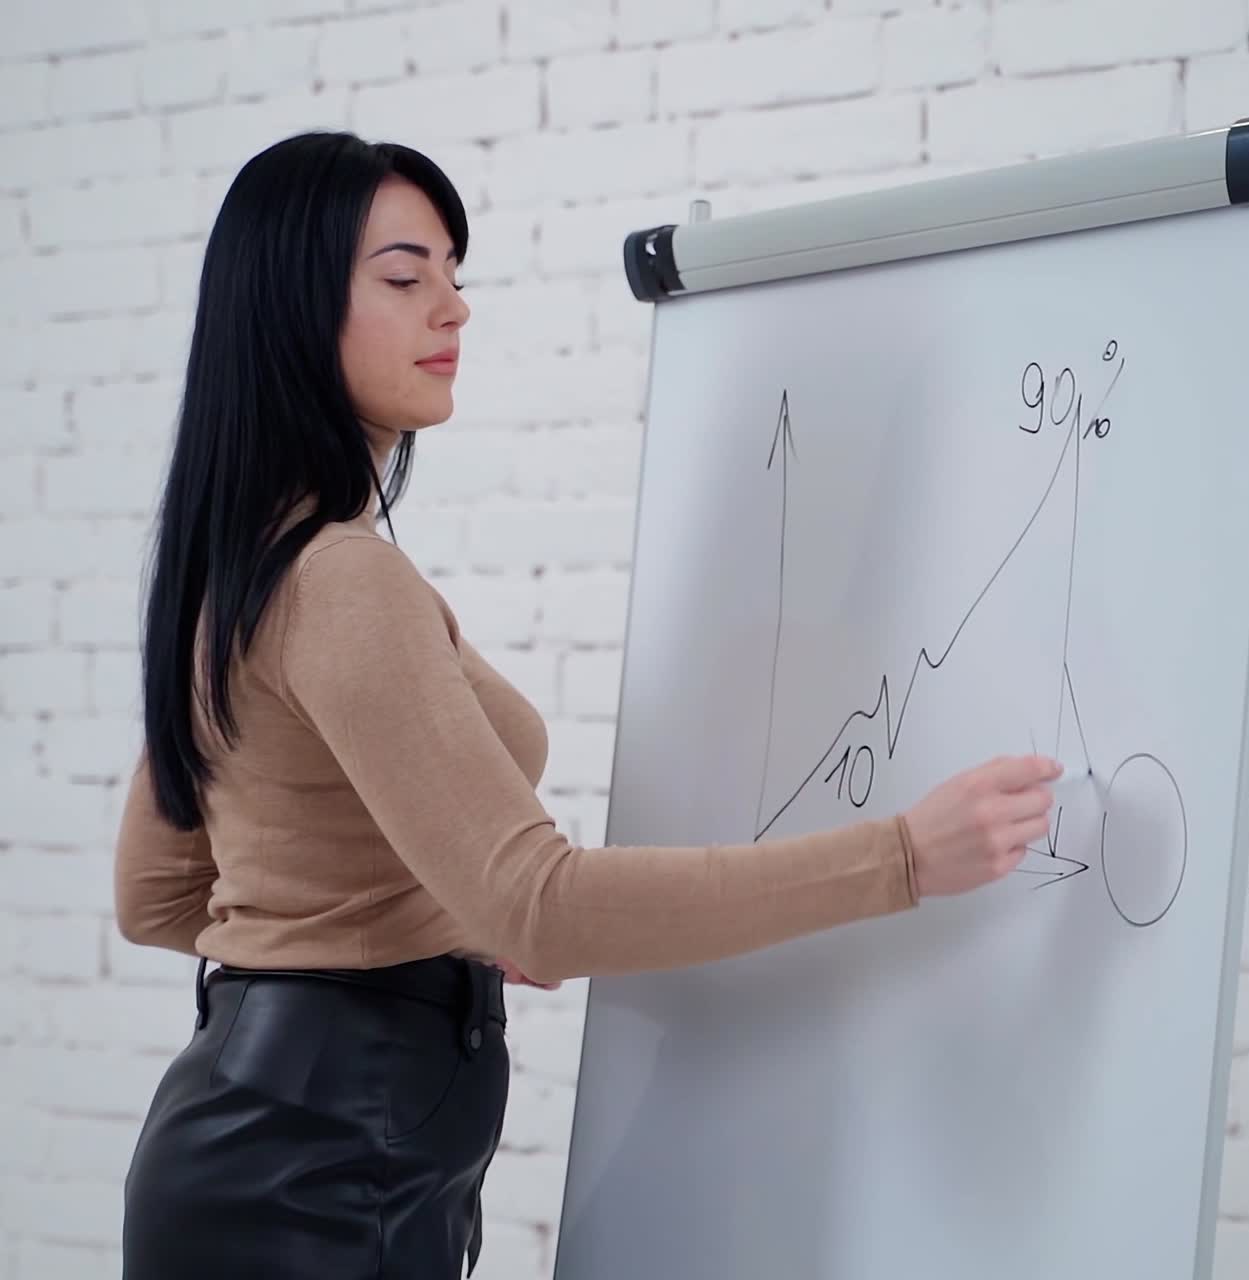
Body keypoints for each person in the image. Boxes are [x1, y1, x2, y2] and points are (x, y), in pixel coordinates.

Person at [112, 130, 1061, 1280]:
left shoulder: (243, 569)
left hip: (279, 1155)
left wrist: (438, 919)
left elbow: (158, 893)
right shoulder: (339, 581)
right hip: (313, 1183)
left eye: (456, 276)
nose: (452, 309)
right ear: (290, 307)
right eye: (406, 278)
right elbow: (541, 908)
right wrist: (901, 854)